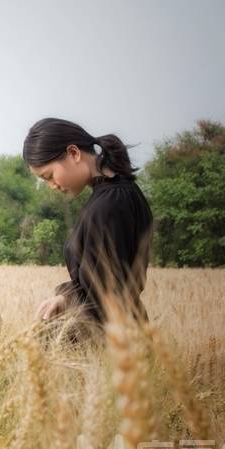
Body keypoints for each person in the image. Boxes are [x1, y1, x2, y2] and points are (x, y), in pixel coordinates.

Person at [22, 117, 154, 343]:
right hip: (125, 337)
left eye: (49, 176)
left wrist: (64, 304)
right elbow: (103, 281)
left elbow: (104, 297)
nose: (52, 186)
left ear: (73, 153)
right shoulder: (123, 192)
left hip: (110, 344)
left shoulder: (108, 206)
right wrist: (65, 299)